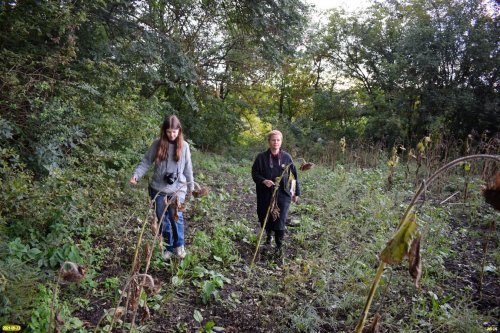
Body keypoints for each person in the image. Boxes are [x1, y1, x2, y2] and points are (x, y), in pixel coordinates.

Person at [130, 115, 194, 259]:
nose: (172, 135)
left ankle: (179, 246)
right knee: (162, 218)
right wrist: (136, 175)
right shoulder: (157, 144)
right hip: (158, 188)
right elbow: (146, 161)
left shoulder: (184, 146)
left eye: (174, 132)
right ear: (164, 131)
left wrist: (191, 187)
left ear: (179, 131)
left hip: (178, 189)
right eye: (169, 132)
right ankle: (168, 247)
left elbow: (188, 168)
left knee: (176, 217)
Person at [251, 130, 300, 257]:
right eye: (273, 140)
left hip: (283, 194)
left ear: (281, 141)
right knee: (264, 216)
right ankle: (268, 237)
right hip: (265, 193)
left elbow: (293, 177)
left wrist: (295, 193)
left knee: (280, 218)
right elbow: (255, 174)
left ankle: (279, 245)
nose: (276, 142)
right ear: (269, 142)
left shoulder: (287, 157)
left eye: (278, 140)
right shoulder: (261, 157)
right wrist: (263, 181)